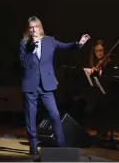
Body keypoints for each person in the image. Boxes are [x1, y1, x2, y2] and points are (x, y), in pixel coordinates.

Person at [19, 16, 90, 159]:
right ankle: (33, 147)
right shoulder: (24, 43)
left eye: (36, 27)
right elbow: (24, 63)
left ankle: (61, 146)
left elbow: (65, 46)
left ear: (40, 27)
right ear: (28, 29)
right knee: (30, 117)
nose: (33, 30)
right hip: (30, 85)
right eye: (31, 27)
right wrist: (33, 47)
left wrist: (79, 43)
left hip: (46, 85)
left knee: (55, 116)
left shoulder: (50, 40)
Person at [86, 39, 119, 139]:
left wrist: (103, 72)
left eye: (101, 50)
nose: (99, 53)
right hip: (98, 92)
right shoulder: (95, 62)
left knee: (101, 102)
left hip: (110, 92)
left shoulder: (110, 61)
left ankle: (103, 131)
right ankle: (98, 130)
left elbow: (114, 77)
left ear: (105, 50)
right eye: (96, 51)